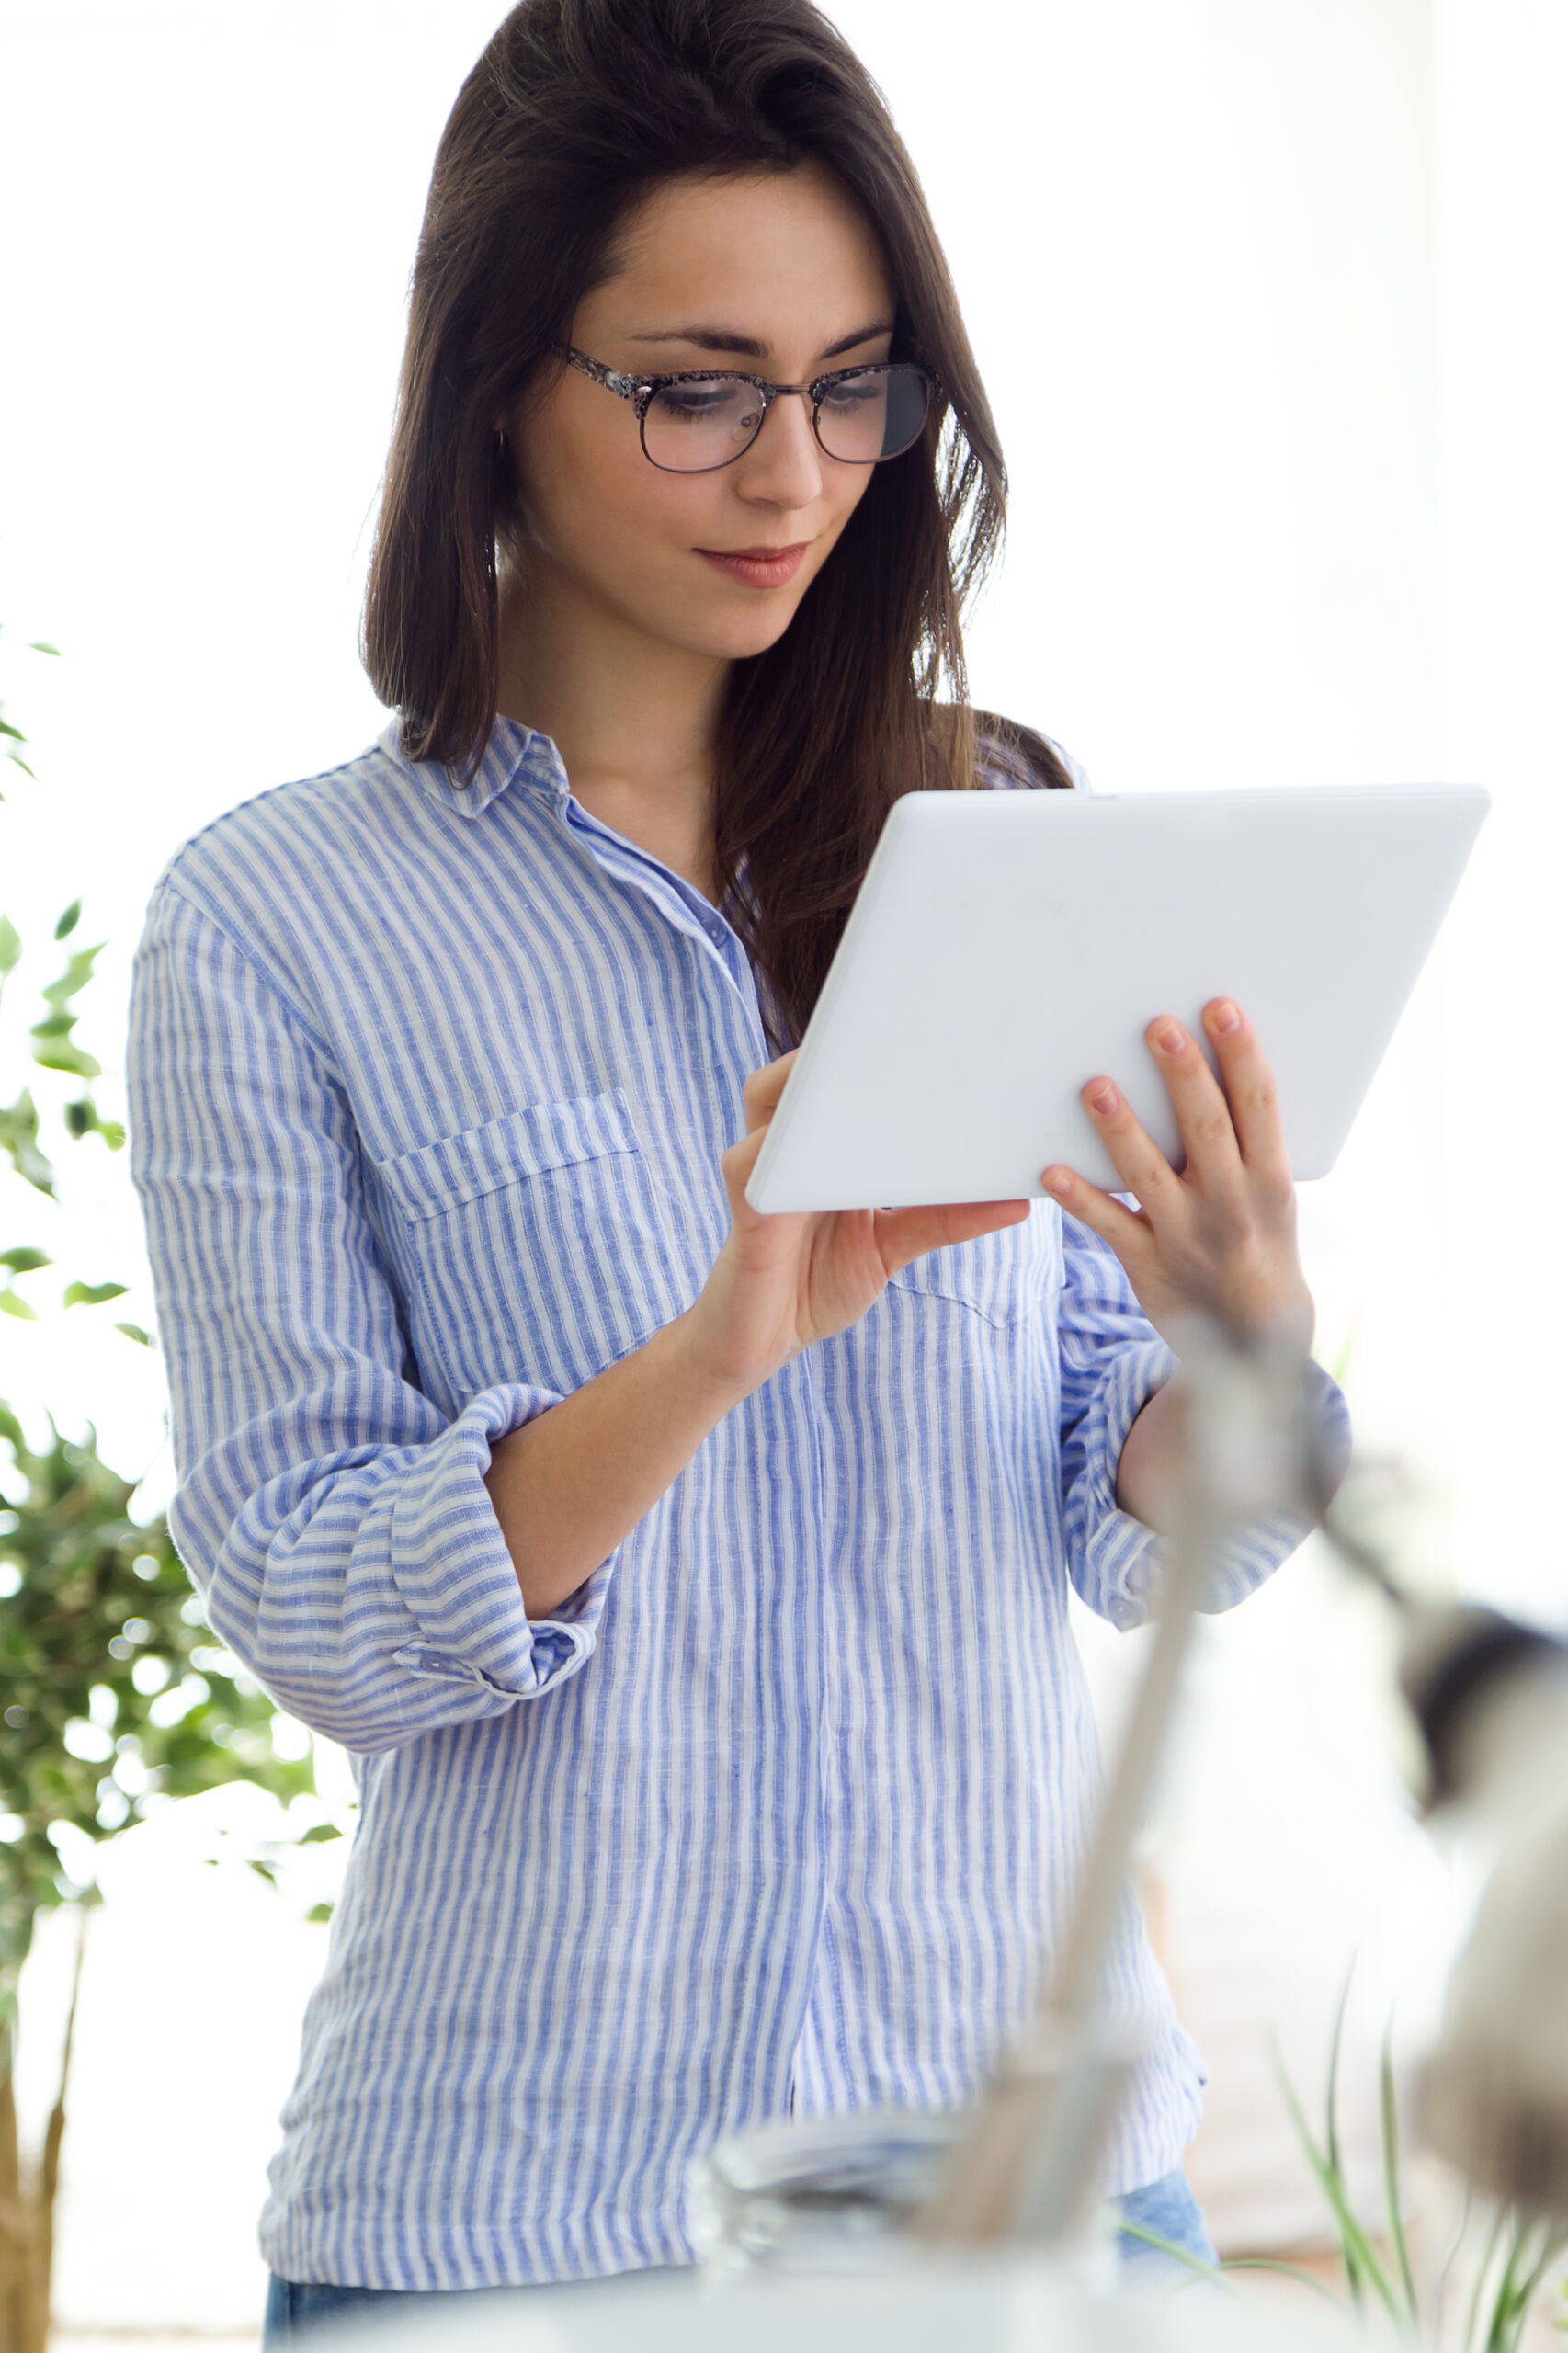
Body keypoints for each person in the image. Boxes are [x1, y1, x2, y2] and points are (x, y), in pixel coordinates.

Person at [125, 0, 1347, 2334]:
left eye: (855, 383)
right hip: (514, 2219)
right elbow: (318, 1606)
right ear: (500, 377)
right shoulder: (275, 924)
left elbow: (1144, 1517)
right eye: (695, 388)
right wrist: (716, 1342)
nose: (796, 471)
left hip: (1041, 2198)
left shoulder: (993, 844)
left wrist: (1245, 1349)